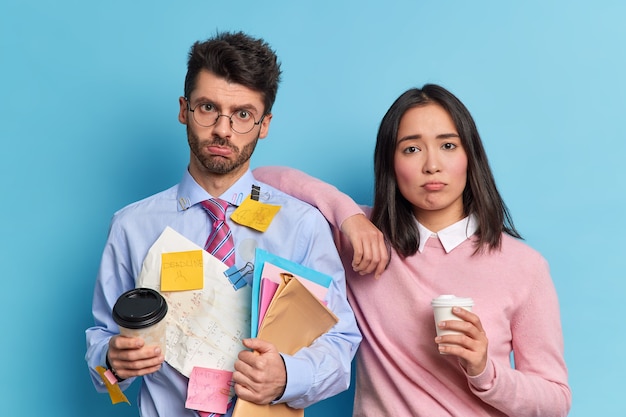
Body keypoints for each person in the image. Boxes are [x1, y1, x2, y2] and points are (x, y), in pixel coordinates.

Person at [85, 31, 360, 417]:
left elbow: (340, 339)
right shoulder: (131, 227)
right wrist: (111, 361)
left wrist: (287, 376)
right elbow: (103, 341)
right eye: (207, 108)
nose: (223, 129)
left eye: (243, 114)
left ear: (264, 124)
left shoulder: (302, 227)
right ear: (184, 109)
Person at [254, 84, 572, 416]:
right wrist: (348, 216)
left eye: (448, 145)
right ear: (391, 163)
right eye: (411, 149)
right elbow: (263, 182)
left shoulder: (524, 267)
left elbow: (555, 400)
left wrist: (484, 370)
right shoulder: (363, 239)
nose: (432, 165)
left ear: (470, 157)